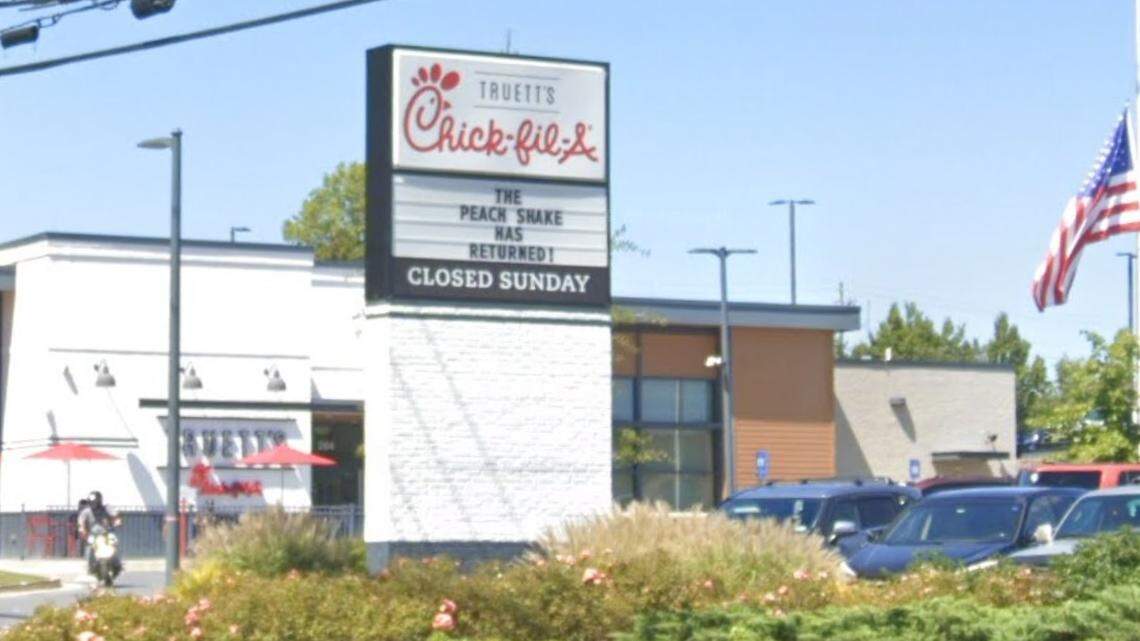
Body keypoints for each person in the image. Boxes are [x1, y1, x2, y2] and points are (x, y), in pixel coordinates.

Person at [77, 492, 118, 572]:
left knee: (114, 542)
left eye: (95, 502)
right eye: (91, 502)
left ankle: (117, 562)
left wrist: (117, 521)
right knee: (89, 547)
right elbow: (81, 521)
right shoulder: (86, 511)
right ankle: (90, 566)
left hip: (107, 532)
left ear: (99, 501)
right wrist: (82, 529)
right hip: (93, 534)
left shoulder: (107, 508)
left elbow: (115, 515)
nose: (93, 504)